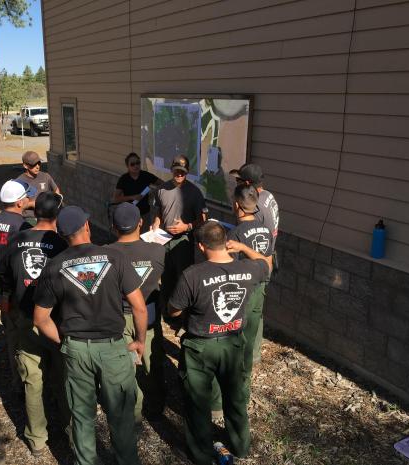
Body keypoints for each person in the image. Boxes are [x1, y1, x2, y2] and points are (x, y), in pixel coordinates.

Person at [33, 206, 148, 465]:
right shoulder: (115, 257)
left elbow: (40, 319)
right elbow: (139, 307)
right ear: (86, 227)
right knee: (120, 415)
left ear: (63, 236)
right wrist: (140, 341)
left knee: (82, 416)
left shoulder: (54, 267)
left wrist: (66, 342)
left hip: (76, 350)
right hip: (113, 349)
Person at [168, 221, 272, 464]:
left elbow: (173, 310)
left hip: (199, 346)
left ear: (202, 247)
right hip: (233, 342)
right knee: (235, 397)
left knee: (197, 401)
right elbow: (267, 262)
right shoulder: (248, 269)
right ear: (227, 242)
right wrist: (245, 248)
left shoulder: (192, 275)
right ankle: (241, 445)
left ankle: (201, 453)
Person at [0, 192, 69, 456]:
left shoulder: (15, 240)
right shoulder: (61, 244)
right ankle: (71, 429)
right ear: (57, 215)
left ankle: (37, 438)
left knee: (32, 380)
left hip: (25, 319)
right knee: (63, 377)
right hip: (55, 322)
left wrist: (8, 302)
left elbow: (3, 277)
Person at [106, 202, 166, 423]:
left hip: (118, 316)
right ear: (140, 223)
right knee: (153, 360)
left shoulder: (106, 253)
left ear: (113, 226)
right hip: (148, 314)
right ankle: (157, 404)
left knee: (125, 365)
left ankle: (133, 411)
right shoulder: (158, 250)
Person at [0, 179, 35, 390]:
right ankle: (25, 379)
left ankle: (16, 376)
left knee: (10, 330)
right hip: (18, 290)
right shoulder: (22, 227)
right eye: (27, 197)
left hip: (0, 286)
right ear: (20, 202)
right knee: (25, 335)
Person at [229, 163, 279, 363]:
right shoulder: (267, 197)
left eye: (239, 181)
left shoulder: (255, 209)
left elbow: (248, 234)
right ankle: (254, 353)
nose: (238, 183)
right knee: (257, 311)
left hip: (255, 265)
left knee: (248, 312)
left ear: (248, 183)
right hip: (267, 257)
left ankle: (245, 355)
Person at [152, 155, 206, 305]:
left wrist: (186, 226)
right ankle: (166, 309)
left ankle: (183, 313)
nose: (179, 174)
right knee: (166, 275)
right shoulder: (161, 189)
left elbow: (203, 219)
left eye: (183, 172)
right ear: (171, 170)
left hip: (184, 241)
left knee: (183, 278)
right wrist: (156, 222)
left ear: (187, 172)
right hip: (163, 239)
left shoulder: (195, 192)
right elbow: (159, 211)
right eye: (177, 171)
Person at [113, 152, 161, 232]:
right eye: (132, 164)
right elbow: (116, 199)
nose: (136, 166)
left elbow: (162, 183)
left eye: (137, 163)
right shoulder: (124, 179)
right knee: (130, 238)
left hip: (145, 214)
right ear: (127, 166)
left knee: (144, 238)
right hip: (129, 214)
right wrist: (132, 197)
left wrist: (155, 191)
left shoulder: (145, 175)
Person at [16, 150, 61, 225]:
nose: (37, 166)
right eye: (33, 164)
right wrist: (32, 204)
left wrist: (54, 201)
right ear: (25, 165)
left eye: (39, 163)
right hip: (30, 218)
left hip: (47, 217)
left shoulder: (45, 176)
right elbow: (18, 205)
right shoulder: (19, 182)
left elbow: (56, 190)